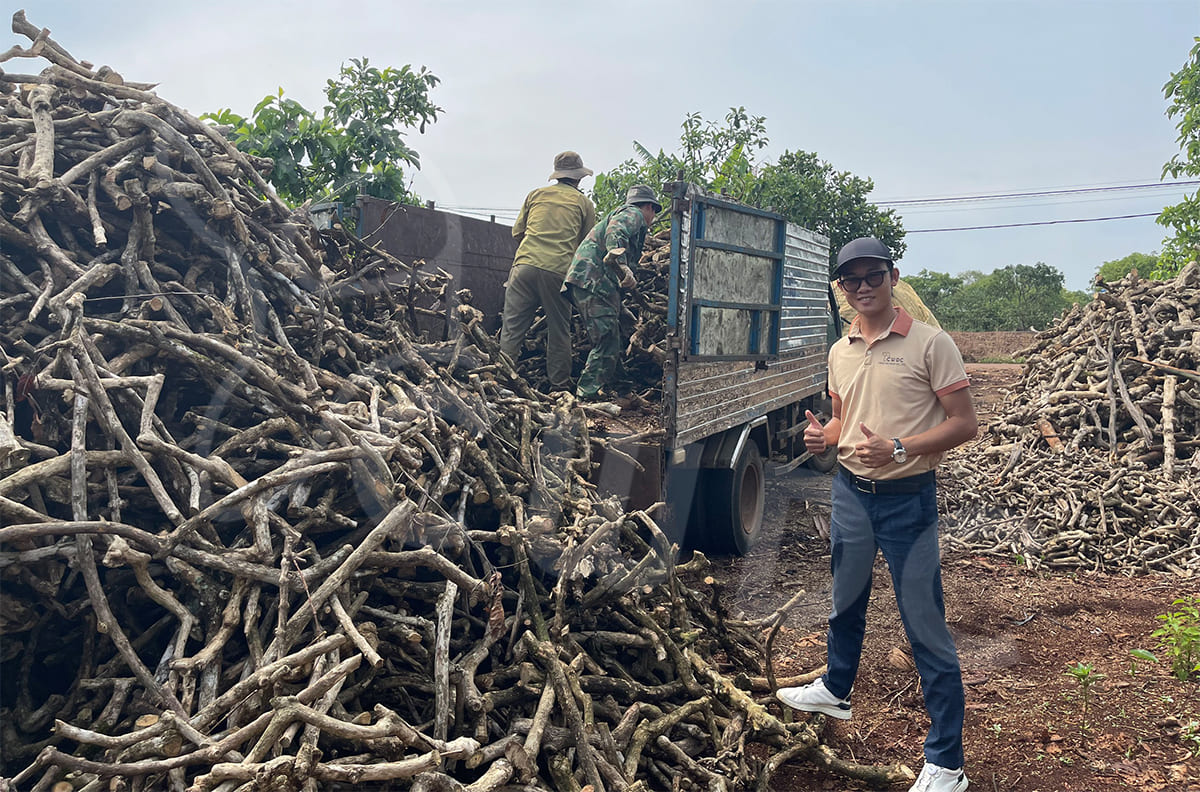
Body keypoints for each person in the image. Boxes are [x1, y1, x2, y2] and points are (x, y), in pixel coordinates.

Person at [775, 236, 979, 792]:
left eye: (873, 276)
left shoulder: (932, 345)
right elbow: (845, 421)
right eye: (852, 280)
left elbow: (965, 424)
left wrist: (900, 447)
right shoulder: (840, 350)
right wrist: (824, 438)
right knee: (845, 599)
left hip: (906, 498)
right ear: (842, 289)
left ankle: (947, 764)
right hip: (849, 495)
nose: (863, 287)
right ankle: (837, 689)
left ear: (892, 276)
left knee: (924, 626)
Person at [499, 151, 597, 392]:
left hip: (523, 267)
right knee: (559, 330)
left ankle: (499, 380)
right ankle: (559, 387)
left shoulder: (536, 195)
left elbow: (517, 233)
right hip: (557, 271)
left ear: (557, 175)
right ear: (579, 178)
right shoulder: (584, 203)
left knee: (512, 328)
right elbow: (587, 245)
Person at [562, 184, 661, 401]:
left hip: (591, 283)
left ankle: (624, 390)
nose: (653, 216)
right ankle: (584, 398)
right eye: (654, 210)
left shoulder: (626, 215)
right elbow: (616, 232)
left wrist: (621, 306)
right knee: (606, 341)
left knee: (611, 339)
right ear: (648, 207)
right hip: (593, 282)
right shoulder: (632, 213)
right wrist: (623, 266)